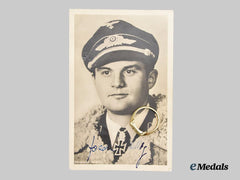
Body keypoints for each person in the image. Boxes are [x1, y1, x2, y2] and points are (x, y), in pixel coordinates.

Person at [74, 20, 167, 165]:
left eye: (129, 71)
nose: (117, 83)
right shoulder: (74, 143)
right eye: (106, 72)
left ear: (150, 79)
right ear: (94, 79)